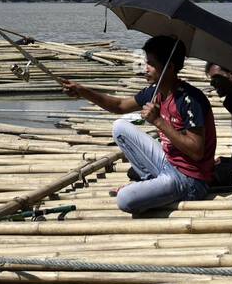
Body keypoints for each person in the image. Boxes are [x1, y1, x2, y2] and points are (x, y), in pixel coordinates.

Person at [61, 35, 215, 213]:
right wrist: (82, 91)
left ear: (170, 68)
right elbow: (119, 106)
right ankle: (153, 183)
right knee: (120, 127)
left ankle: (154, 188)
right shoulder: (155, 91)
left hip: (190, 179)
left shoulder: (189, 100)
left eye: (151, 64)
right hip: (169, 163)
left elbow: (197, 151)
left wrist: (158, 121)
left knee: (125, 199)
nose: (145, 68)